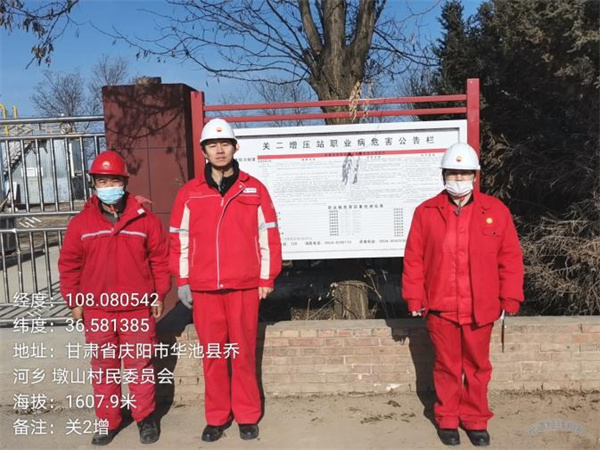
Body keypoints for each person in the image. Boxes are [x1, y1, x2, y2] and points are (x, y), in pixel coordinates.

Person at [402, 142, 524, 447]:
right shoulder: (426, 212)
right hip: (441, 307)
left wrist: (510, 297)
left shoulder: (496, 211)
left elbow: (510, 258)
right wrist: (414, 297)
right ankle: (447, 419)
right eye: (453, 173)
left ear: (475, 175)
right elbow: (414, 258)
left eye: (465, 173)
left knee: (478, 367)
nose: (459, 179)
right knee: (446, 366)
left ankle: (476, 420)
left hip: (481, 307)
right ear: (444, 174)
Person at [169, 118, 282, 442]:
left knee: (243, 353)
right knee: (213, 356)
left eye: (225, 144)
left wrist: (266, 277)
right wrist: (183, 279)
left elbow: (269, 235)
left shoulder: (254, 189)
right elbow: (179, 239)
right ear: (204, 151)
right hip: (205, 289)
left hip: (244, 286)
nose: (219, 150)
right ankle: (217, 417)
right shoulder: (190, 193)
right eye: (212, 145)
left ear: (235, 147)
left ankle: (247, 415)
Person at [58, 150, 171, 446]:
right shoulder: (81, 224)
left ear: (124, 182)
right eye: (102, 181)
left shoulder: (145, 220)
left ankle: (145, 418)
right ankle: (108, 421)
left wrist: (159, 294)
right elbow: (69, 265)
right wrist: (74, 300)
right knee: (104, 368)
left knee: (140, 366)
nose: (108, 186)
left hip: (136, 309)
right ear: (94, 184)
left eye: (114, 180)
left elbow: (160, 260)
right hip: (98, 310)